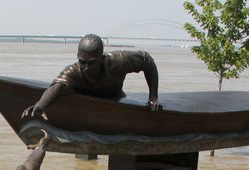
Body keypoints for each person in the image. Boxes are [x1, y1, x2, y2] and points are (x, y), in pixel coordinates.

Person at [22, 33, 160, 121]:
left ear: (102, 58)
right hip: (88, 107)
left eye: (92, 63)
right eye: (82, 62)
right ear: (77, 57)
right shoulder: (74, 71)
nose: (86, 68)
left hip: (115, 99)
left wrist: (153, 97)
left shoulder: (119, 61)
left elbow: (147, 61)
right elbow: (58, 86)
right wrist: (41, 105)